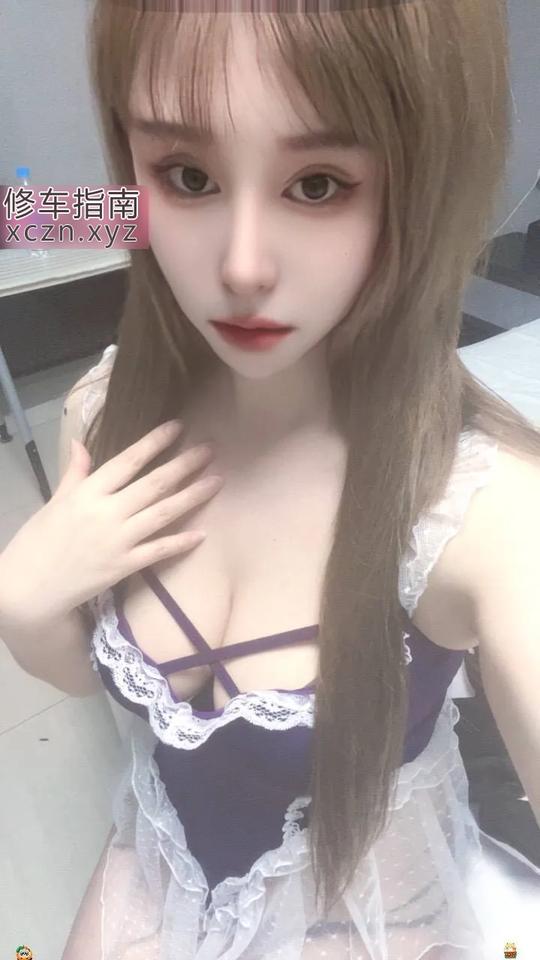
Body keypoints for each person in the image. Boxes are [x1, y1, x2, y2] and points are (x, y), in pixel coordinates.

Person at [1, 2, 539, 958]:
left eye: (318, 184)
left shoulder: (479, 510)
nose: (242, 267)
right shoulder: (107, 412)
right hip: (158, 872)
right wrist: (22, 601)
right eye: (189, 175)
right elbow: (82, 678)